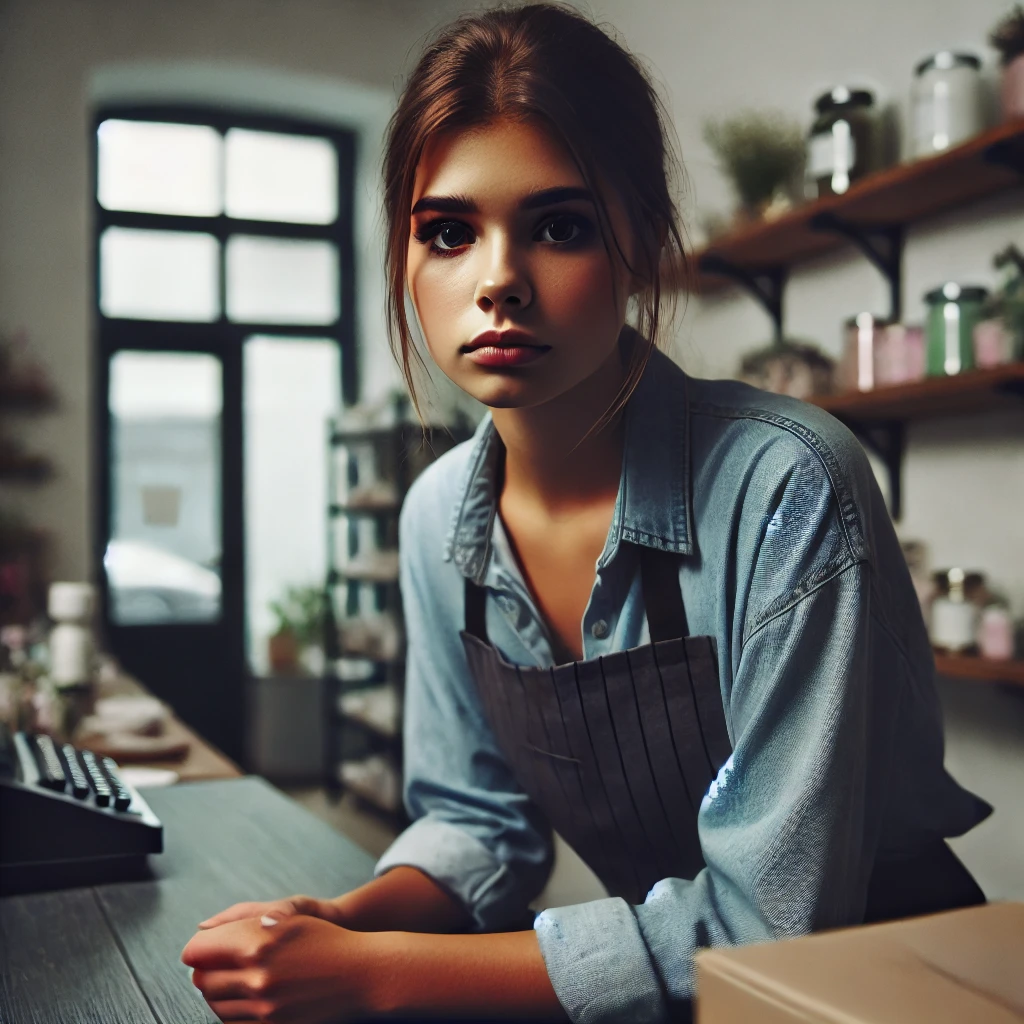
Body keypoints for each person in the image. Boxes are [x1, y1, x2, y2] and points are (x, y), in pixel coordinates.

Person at [182, 4, 991, 1021]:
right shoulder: (440, 520)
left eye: (558, 226)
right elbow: (480, 824)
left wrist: (376, 974)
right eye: (446, 232)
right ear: (402, 256)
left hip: (881, 995)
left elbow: (769, 925)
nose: (498, 282)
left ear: (640, 242)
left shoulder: (788, 486)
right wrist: (349, 918)